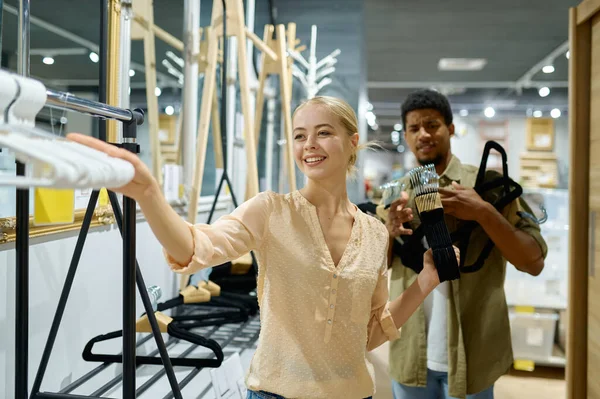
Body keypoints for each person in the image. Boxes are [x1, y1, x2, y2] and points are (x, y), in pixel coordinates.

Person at [67, 95, 460, 399]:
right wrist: (150, 194)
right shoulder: (270, 211)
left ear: (352, 141)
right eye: (299, 135)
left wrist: (425, 282)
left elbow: (370, 332)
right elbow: (193, 248)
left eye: (323, 132)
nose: (310, 144)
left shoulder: (375, 233)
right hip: (275, 392)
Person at [376, 89, 548, 399]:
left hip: (475, 350)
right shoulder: (392, 194)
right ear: (406, 134)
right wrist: (388, 231)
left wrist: (483, 212)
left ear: (451, 128)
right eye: (414, 128)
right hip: (409, 351)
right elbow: (378, 266)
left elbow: (533, 262)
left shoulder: (489, 186)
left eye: (432, 125)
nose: (423, 134)